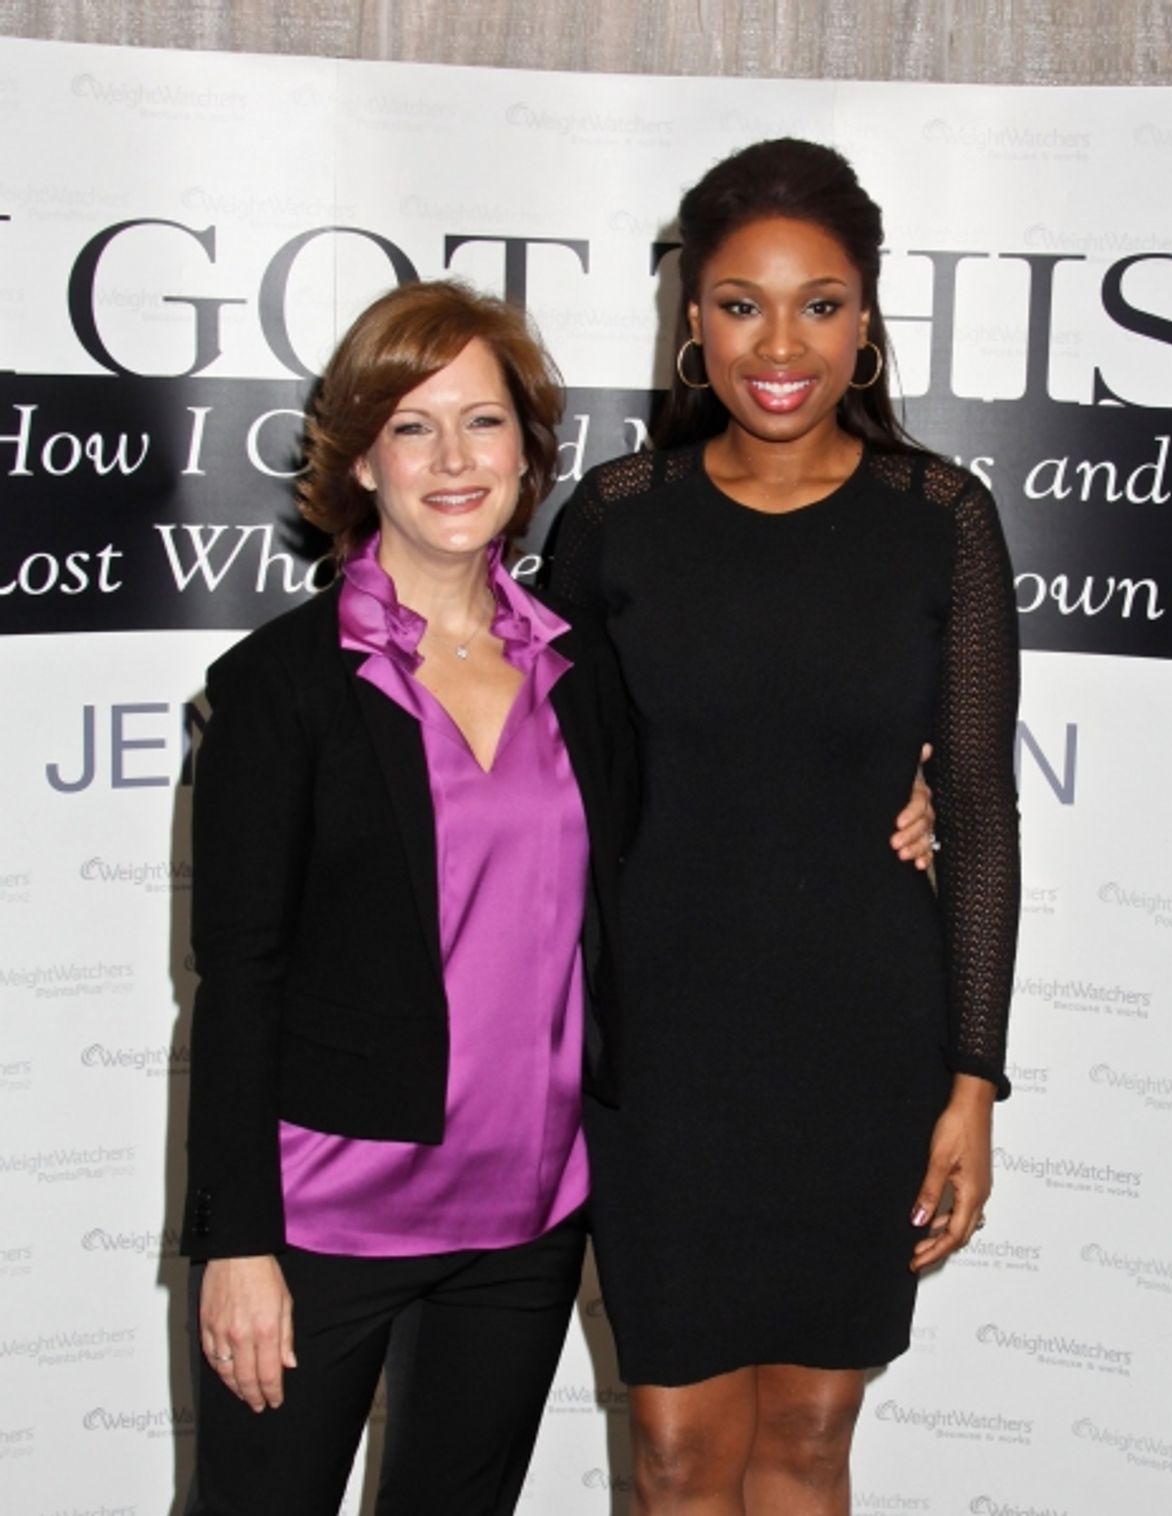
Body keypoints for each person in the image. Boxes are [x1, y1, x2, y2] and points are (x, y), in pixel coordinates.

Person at [179, 277, 937, 1516]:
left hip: (528, 1224)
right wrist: (234, 1242)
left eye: (483, 422)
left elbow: (719, 798)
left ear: (529, 453)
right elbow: (236, 979)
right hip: (323, 1222)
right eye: (411, 426)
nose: (451, 459)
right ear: (361, 459)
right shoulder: (280, 687)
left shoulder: (579, 673)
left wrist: (918, 797)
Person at [550, 138, 1020, 1516]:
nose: (781, 341)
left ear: (867, 316)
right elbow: (553, 779)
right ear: (690, 317)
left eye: (820, 301)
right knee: (679, 1455)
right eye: (741, 301)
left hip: (860, 1043)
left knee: (811, 1445)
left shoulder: (939, 517)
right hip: (662, 1052)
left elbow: (980, 812)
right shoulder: (618, 520)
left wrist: (973, 1081)